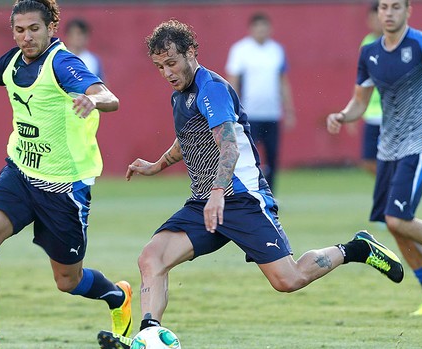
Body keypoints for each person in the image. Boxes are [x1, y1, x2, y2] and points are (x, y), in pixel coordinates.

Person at [97, 19, 404, 349]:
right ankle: (149, 336)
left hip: (241, 199)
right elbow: (188, 140)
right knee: (151, 258)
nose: (167, 73)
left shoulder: (211, 88)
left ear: (190, 53)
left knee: (288, 279)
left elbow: (228, 145)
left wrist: (218, 192)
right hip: (205, 204)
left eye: (171, 63)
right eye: (159, 67)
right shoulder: (179, 97)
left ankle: (355, 248)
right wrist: (157, 164)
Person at [0, 1, 132, 348]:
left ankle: (118, 297)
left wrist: (94, 101)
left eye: (34, 29)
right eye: (19, 30)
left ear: (51, 27)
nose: (26, 37)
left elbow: (109, 97)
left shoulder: (63, 63)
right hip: (20, 173)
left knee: (68, 280)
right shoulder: (11, 61)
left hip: (64, 187)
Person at [326, 0, 422, 316]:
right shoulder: (369, 53)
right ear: (378, 13)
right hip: (388, 149)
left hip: (420, 144)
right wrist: (342, 115)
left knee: (398, 218)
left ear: (408, 11)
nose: (389, 13)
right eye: (384, 8)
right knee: (394, 226)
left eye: (396, 7)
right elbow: (360, 102)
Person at [225, 12, 296, 193]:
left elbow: (282, 81)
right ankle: (247, 192)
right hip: (249, 114)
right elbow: (232, 81)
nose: (261, 31)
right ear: (251, 29)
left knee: (272, 157)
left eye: (264, 27)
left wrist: (288, 110)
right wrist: (231, 109)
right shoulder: (240, 50)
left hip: (272, 113)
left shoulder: (276, 50)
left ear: (270, 29)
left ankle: (270, 194)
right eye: (258, 27)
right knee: (248, 156)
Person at [359, 1, 384, 175]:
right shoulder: (366, 44)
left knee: (391, 159)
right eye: (372, 19)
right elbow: (362, 79)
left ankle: (392, 190)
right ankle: (388, 186)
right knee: (368, 161)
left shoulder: (394, 43)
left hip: (391, 113)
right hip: (371, 112)